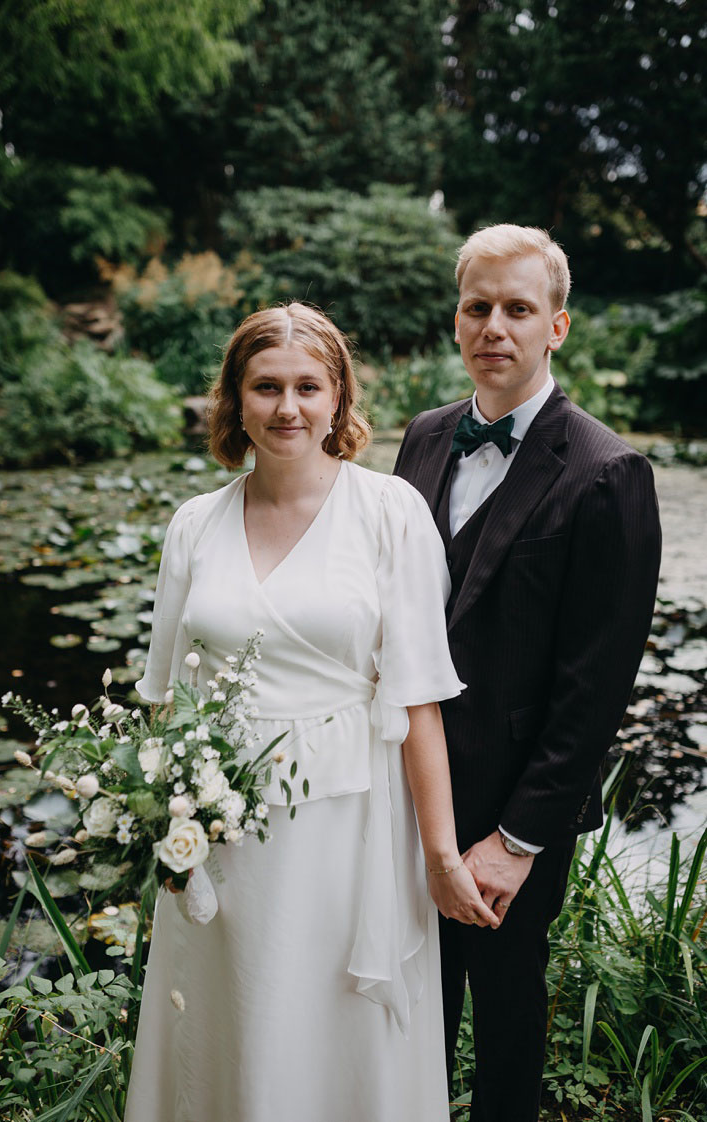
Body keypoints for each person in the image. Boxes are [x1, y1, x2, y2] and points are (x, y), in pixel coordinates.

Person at [123, 303, 496, 1122]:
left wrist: (439, 856)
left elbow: (418, 701)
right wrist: (164, 825)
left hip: (350, 823)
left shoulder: (391, 513)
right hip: (220, 832)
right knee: (236, 1015)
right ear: (235, 400)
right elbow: (164, 703)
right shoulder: (194, 525)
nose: (286, 408)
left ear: (338, 400)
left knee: (329, 1027)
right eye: (265, 388)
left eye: (306, 387)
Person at [393, 225, 661, 1122]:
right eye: (478, 307)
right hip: (400, 794)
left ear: (559, 326)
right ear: (456, 320)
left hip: (511, 815)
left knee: (506, 1026)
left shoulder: (607, 472)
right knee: (401, 1012)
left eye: (518, 308)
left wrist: (514, 842)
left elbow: (596, 690)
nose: (494, 326)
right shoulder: (424, 440)